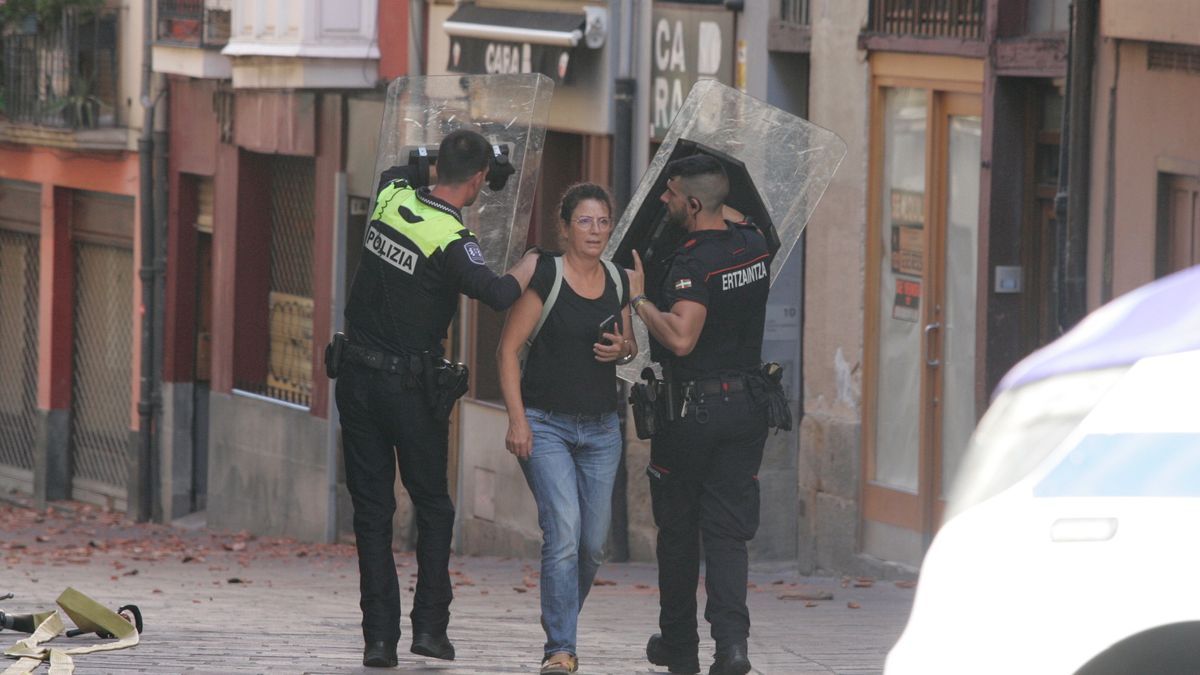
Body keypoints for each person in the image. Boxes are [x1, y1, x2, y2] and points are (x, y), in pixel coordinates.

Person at [335, 129, 539, 668]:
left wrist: (465, 157)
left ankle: (379, 641)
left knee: (372, 512)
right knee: (433, 506)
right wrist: (533, 263)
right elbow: (497, 293)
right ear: (477, 181)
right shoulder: (451, 237)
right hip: (409, 391)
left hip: (355, 380)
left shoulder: (389, 195)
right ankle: (429, 630)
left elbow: (407, 164)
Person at [627, 155, 772, 675]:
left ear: (692, 204)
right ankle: (733, 648)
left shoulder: (692, 263)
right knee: (729, 534)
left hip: (692, 412)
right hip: (747, 407)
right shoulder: (754, 243)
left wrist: (640, 298)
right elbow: (722, 202)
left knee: (680, 531)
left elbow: (682, 338)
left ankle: (680, 646)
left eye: (669, 195)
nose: (663, 202)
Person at [496, 183, 637, 675]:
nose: (595, 230)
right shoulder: (548, 275)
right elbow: (508, 351)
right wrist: (517, 419)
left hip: (602, 430)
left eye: (602, 222)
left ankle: (560, 623)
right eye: (585, 221)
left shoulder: (619, 279)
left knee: (593, 544)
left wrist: (623, 350)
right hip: (545, 425)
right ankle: (560, 647)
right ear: (566, 227)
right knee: (564, 531)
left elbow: (631, 346)